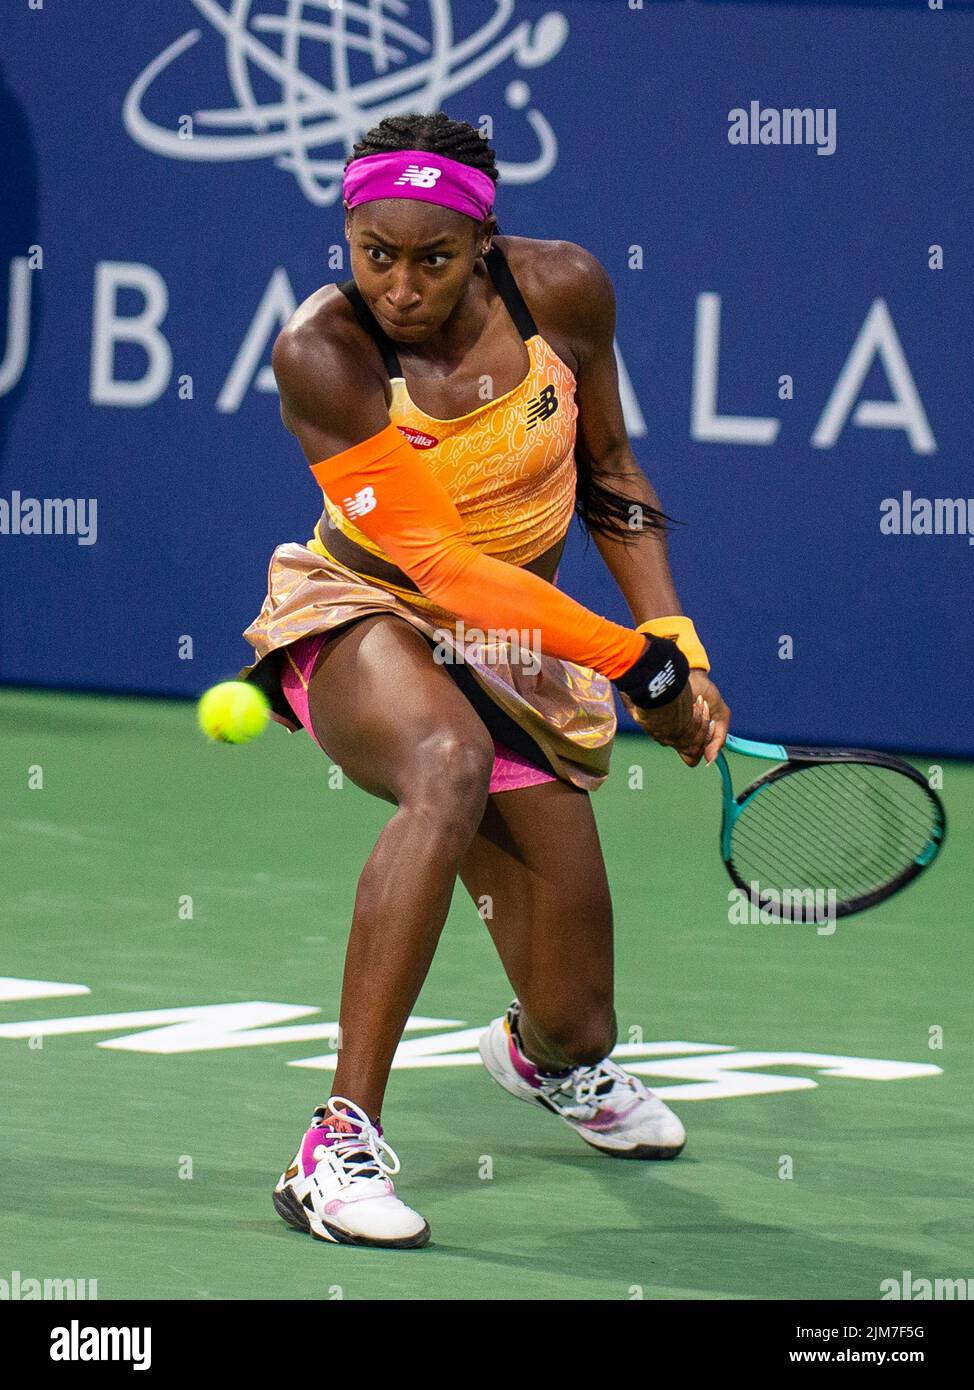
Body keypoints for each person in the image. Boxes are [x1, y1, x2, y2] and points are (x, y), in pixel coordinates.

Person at [238, 112, 730, 1249]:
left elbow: (608, 474)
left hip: (517, 650)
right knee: (446, 764)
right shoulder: (323, 353)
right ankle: (337, 1142)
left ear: (484, 240)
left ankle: (538, 1058)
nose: (400, 287)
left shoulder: (564, 294)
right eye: (374, 254)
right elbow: (441, 569)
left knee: (579, 1019)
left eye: (433, 258)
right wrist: (632, 663)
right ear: (347, 237)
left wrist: (678, 642)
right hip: (362, 615)